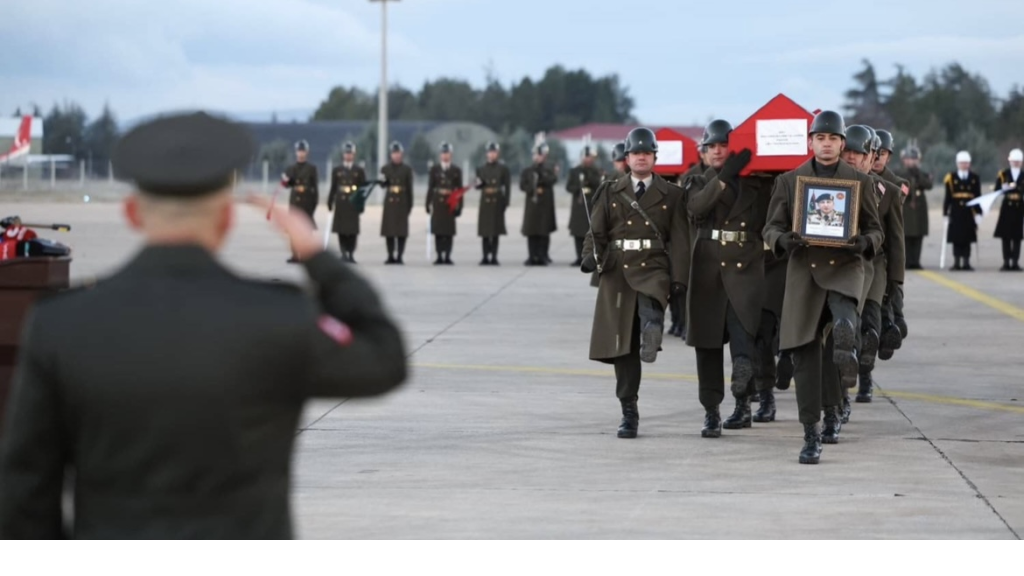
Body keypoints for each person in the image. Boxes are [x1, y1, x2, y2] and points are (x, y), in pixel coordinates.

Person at [0, 111, 408, 540]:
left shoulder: (62, 325)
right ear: (226, 219)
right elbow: (384, 358)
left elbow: (23, 495)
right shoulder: (277, 318)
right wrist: (317, 257)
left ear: (134, 213)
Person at [763, 110, 884, 465]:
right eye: (821, 138)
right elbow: (769, 228)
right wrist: (784, 240)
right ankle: (812, 431)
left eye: (833, 138)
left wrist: (865, 243)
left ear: (842, 144)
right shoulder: (789, 180)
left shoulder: (858, 181)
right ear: (810, 142)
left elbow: (876, 230)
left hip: (846, 266)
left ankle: (848, 329)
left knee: (840, 330)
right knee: (805, 354)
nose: (827, 144)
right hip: (804, 271)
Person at [581, 128, 691, 439]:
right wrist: (589, 256)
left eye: (647, 152)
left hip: (654, 264)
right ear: (626, 158)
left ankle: (652, 330)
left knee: (651, 300)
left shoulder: (672, 194)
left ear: (655, 157)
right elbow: (596, 232)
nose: (641, 157)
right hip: (617, 272)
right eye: (635, 153)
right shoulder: (609, 191)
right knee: (624, 348)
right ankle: (629, 410)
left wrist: (680, 279)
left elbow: (680, 241)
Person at [685, 119, 776, 437]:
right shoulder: (696, 181)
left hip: (746, 267)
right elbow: (697, 208)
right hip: (709, 270)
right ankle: (711, 411)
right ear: (704, 152)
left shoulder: (757, 183)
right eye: (712, 147)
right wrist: (724, 178)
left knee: (745, 338)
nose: (718, 151)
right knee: (707, 344)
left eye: (723, 145)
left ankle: (742, 406)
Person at [843, 126, 904, 411]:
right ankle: (843, 388)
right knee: (847, 327)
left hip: (875, 262)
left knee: (870, 325)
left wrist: (896, 284)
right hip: (842, 264)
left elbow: (896, 241)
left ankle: (865, 379)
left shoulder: (888, 191)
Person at [871, 130, 911, 367]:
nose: (877, 158)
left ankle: (894, 324)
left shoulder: (898, 185)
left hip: (885, 256)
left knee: (890, 302)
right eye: (873, 153)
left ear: (889, 156)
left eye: (882, 153)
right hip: (869, 254)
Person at [326, 141, 368, 263]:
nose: (348, 156)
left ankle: (351, 253)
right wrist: (330, 201)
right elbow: (333, 187)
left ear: (354, 155)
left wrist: (361, 204)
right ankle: (343, 253)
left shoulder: (359, 170)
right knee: (341, 230)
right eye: (346, 153)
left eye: (350, 153)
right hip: (341, 202)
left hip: (353, 202)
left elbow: (362, 189)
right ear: (343, 154)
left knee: (352, 231)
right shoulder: (337, 170)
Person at [520, 143, 558, 266]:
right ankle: (532, 255)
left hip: (545, 205)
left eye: (540, 155)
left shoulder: (549, 170)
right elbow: (523, 185)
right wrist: (532, 188)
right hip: (532, 204)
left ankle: (542, 255)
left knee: (543, 231)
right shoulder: (528, 171)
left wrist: (541, 177)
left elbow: (551, 180)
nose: (538, 157)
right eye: (536, 155)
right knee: (532, 231)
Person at [943, 151, 982, 271]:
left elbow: (977, 196)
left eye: (966, 163)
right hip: (956, 211)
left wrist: (979, 212)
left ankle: (966, 262)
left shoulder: (974, 178)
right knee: (956, 238)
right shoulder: (951, 178)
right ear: (957, 164)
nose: (964, 165)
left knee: (967, 238)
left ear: (969, 164)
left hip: (969, 212)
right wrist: (945, 212)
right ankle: (956, 262)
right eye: (961, 163)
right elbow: (948, 197)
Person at [896, 145, 933, 270]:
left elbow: (928, 185)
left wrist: (918, 174)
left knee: (918, 235)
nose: (911, 161)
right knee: (905, 235)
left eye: (913, 159)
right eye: (908, 158)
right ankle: (906, 261)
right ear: (903, 160)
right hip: (905, 206)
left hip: (919, 208)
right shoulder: (899, 173)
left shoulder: (922, 173)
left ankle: (916, 261)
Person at [566, 145, 604, 267]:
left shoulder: (596, 171)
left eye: (591, 158)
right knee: (578, 233)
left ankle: (590, 256)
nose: (589, 160)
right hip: (579, 205)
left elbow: (599, 184)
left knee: (591, 232)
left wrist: (589, 180)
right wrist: (579, 188)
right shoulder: (575, 171)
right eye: (587, 157)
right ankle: (579, 256)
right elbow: (569, 187)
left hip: (592, 204)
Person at [426, 142, 463, 265]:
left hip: (450, 201)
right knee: (438, 231)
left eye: (447, 153)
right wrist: (427, 203)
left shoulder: (456, 170)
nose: (445, 156)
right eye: (443, 153)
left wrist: (460, 206)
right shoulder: (434, 169)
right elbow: (431, 187)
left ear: (451, 154)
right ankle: (439, 255)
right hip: (438, 202)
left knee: (448, 231)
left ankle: (447, 255)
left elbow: (459, 190)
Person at [283, 140, 320, 263]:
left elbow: (315, 187)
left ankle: (306, 254)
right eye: (299, 151)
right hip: (295, 202)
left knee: (306, 229)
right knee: (293, 229)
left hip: (307, 201)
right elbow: (286, 185)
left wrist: (314, 204)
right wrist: (285, 181)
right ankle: (295, 254)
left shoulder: (311, 168)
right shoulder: (291, 168)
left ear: (307, 152)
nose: (301, 153)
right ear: (296, 152)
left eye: (303, 151)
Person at [475, 141, 511, 266]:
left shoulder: (503, 169)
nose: (492, 155)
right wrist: (477, 183)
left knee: (495, 231)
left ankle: (494, 256)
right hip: (486, 201)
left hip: (497, 200)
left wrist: (506, 202)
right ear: (486, 154)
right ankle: (485, 256)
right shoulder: (481, 168)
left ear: (498, 153)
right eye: (490, 152)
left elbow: (507, 186)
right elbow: (478, 186)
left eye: (494, 152)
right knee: (485, 231)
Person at [381, 141, 414, 265]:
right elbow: (382, 185)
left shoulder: (407, 169)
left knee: (401, 231)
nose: (396, 156)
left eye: (398, 153)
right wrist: (382, 181)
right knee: (389, 231)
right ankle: (390, 255)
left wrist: (410, 205)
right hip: (390, 202)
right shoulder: (385, 169)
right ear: (391, 155)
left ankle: (400, 255)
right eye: (394, 153)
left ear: (402, 154)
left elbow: (410, 188)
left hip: (402, 201)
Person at [994, 149, 1024, 272]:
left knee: (1017, 236)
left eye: (1018, 161)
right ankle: (1006, 261)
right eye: (1014, 161)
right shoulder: (1003, 174)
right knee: (1005, 235)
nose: (1016, 163)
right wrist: (1002, 188)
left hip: (1019, 206)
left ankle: (1015, 262)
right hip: (1007, 206)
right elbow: (996, 189)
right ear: (1010, 161)